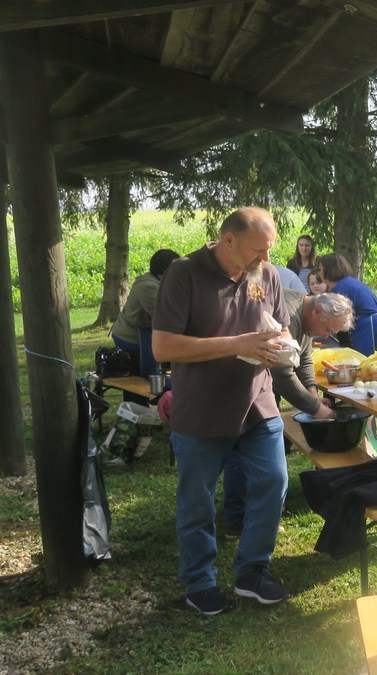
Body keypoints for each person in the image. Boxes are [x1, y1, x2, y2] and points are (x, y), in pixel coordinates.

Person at [152, 206, 293, 616]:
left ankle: (252, 572)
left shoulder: (264, 275)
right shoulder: (184, 274)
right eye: (258, 250)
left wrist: (278, 345)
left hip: (257, 403)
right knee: (197, 501)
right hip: (201, 410)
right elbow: (164, 347)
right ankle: (199, 583)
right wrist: (238, 344)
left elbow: (281, 327)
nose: (266, 259)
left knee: (273, 481)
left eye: (269, 250)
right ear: (228, 240)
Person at [223, 290, 356, 538]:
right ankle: (237, 520)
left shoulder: (306, 320)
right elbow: (282, 374)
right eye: (327, 329)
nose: (326, 336)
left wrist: (312, 392)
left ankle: (261, 514)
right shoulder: (288, 311)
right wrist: (316, 408)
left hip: (260, 389)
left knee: (262, 456)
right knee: (240, 453)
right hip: (240, 388)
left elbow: (304, 358)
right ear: (317, 311)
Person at [111, 248, 179, 377]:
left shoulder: (163, 282)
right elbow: (163, 317)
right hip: (131, 338)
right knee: (140, 379)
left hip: (145, 336)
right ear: (164, 270)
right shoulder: (148, 287)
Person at [315, 253, 377, 356]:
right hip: (370, 324)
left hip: (368, 328)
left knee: (368, 361)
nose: (318, 273)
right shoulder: (346, 283)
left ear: (329, 269)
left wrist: (345, 346)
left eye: (320, 269)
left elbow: (338, 319)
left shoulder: (341, 288)